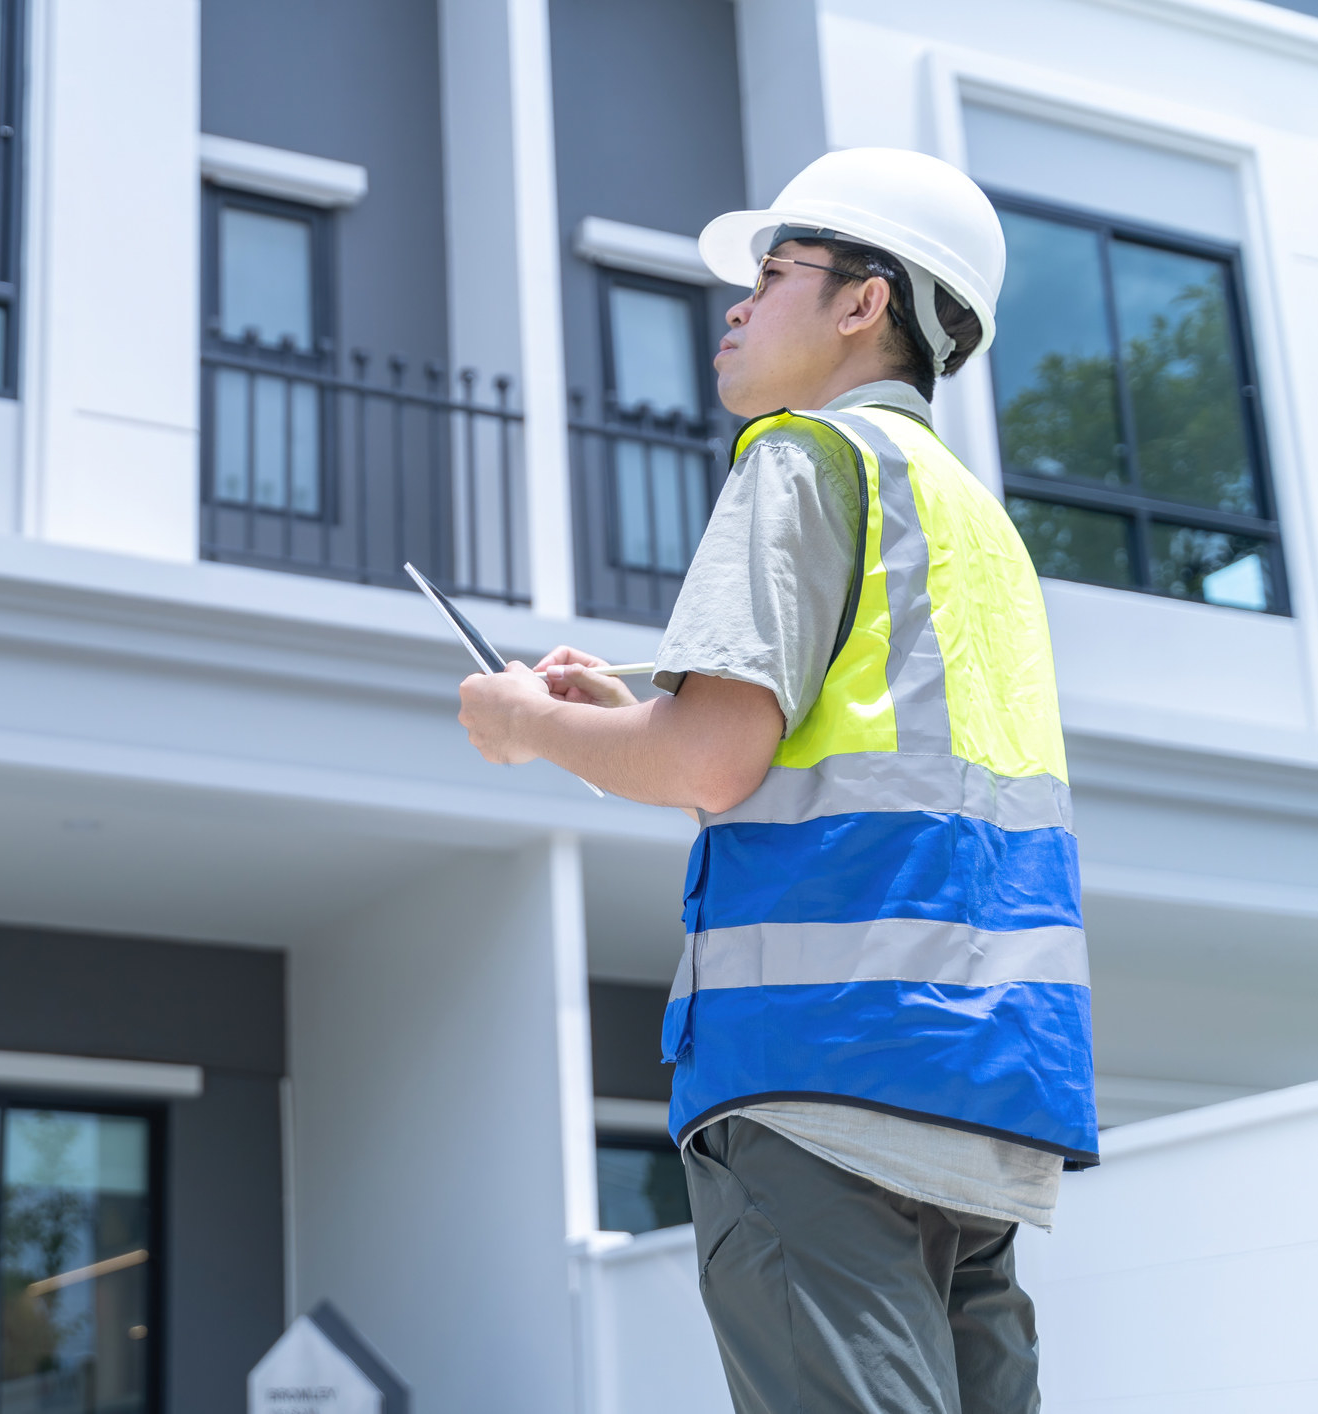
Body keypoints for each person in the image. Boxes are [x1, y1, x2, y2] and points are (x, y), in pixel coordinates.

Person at [454, 147, 1093, 1413]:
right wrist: (637, 717)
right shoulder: (974, 521)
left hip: (822, 1069)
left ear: (866, 303)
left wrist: (528, 725)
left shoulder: (801, 457)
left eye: (773, 273)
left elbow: (711, 761)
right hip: (985, 1089)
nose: (736, 307)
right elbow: (844, 765)